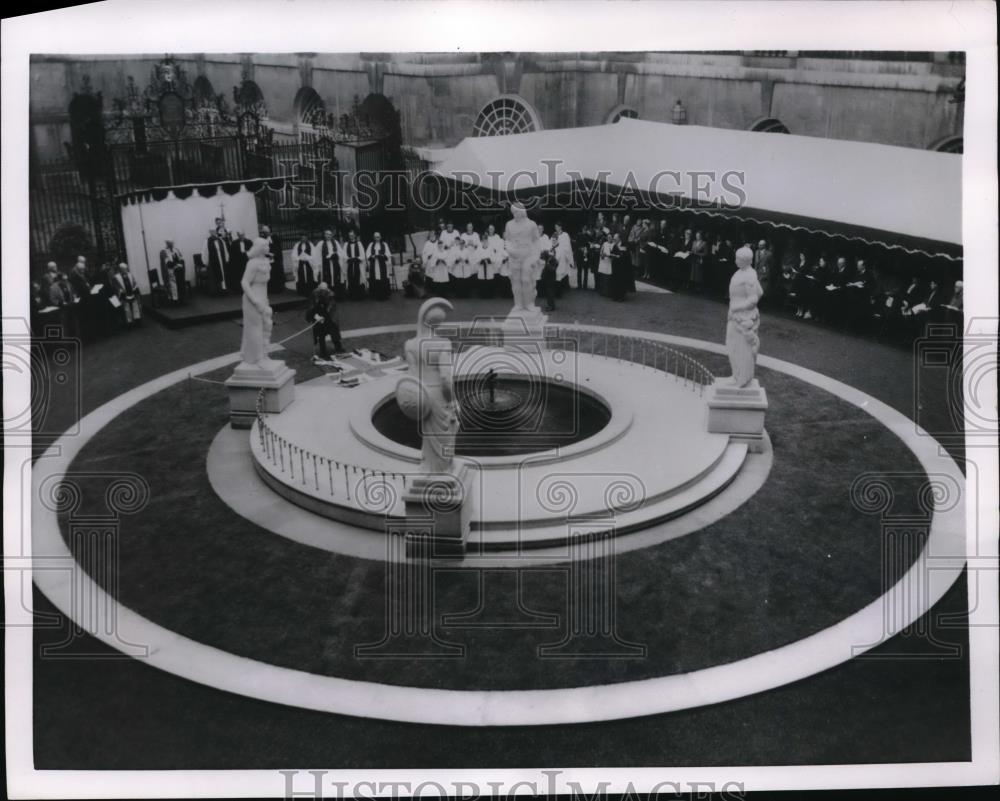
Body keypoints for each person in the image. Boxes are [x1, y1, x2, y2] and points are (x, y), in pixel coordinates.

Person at [725, 246, 765, 387]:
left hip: (741, 318)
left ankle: (742, 378)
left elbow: (754, 298)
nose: (735, 260)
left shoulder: (749, 275)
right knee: (732, 345)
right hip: (737, 316)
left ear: (745, 260)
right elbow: (760, 291)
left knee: (740, 347)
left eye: (737, 258)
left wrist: (736, 307)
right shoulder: (744, 272)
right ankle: (737, 375)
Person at [239, 238, 275, 366]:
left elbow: (264, 284)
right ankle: (257, 358)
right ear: (260, 248)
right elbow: (244, 282)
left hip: (263, 297)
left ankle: (264, 354)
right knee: (255, 328)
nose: (268, 247)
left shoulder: (266, 261)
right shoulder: (252, 263)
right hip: (252, 298)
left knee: (267, 325)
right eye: (265, 245)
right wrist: (255, 301)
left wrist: (265, 300)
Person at [503, 202, 541, 313]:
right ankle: (518, 304)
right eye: (513, 213)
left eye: (516, 212)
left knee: (526, 280)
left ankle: (529, 303)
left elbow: (536, 241)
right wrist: (509, 250)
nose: (514, 214)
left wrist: (535, 257)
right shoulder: (509, 224)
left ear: (522, 212)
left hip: (528, 256)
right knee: (516, 281)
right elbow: (507, 240)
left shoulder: (531, 224)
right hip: (514, 255)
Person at [306, 283, 344, 361]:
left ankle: (338, 347)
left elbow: (331, 306)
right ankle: (323, 351)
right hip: (318, 314)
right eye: (321, 290)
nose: (322, 292)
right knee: (320, 333)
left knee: (334, 331)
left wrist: (325, 315)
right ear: (318, 289)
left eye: (324, 290)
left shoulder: (330, 295)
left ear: (326, 290)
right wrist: (315, 316)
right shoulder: (314, 294)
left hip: (329, 316)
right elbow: (311, 306)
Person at [316, 230, 344, 299]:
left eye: (330, 234)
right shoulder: (321, 243)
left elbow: (340, 252)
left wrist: (336, 255)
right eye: (327, 234)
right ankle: (327, 296)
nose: (328, 236)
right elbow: (317, 255)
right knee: (327, 278)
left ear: (332, 235)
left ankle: (337, 295)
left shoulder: (335, 242)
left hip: (334, 264)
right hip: (326, 264)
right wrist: (319, 264)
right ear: (324, 235)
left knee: (336, 278)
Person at [366, 232, 393, 300]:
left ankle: (384, 295)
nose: (377, 238)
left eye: (378, 237)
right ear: (373, 238)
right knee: (375, 278)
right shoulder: (371, 245)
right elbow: (367, 254)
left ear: (380, 237)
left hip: (382, 264)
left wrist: (382, 256)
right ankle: (375, 295)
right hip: (374, 264)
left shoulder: (384, 244)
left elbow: (388, 254)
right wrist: (372, 256)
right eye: (375, 237)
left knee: (382, 278)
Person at [343, 231, 368, 300]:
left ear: (355, 236)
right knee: (350, 277)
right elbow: (344, 254)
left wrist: (357, 258)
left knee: (359, 278)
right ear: (349, 236)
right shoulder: (346, 244)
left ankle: (359, 296)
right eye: (350, 235)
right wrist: (349, 259)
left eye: (352, 235)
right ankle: (352, 296)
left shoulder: (359, 243)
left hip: (358, 264)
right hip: (350, 263)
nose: (351, 236)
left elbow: (363, 254)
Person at [260, 225, 285, 293]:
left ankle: (279, 288)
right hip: (268, 258)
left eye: (266, 232)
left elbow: (278, 247)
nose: (265, 233)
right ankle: (271, 289)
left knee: (277, 272)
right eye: (264, 232)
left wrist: (273, 254)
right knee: (270, 273)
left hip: (276, 258)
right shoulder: (263, 239)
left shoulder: (275, 237)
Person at [553, 222, 574, 293]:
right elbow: (552, 243)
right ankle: (557, 289)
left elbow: (567, 246)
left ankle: (563, 288)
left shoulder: (565, 235)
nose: (556, 228)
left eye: (557, 227)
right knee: (556, 272)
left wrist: (562, 250)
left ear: (560, 227)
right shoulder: (554, 234)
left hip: (563, 256)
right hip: (556, 256)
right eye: (555, 227)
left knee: (562, 271)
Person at [609, 232, 630, 301]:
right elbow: (612, 253)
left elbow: (626, 256)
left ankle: (621, 297)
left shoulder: (624, 245)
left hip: (622, 267)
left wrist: (620, 256)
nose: (614, 239)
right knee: (615, 281)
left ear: (619, 238)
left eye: (615, 238)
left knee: (621, 281)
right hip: (615, 266)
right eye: (614, 238)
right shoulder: (615, 245)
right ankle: (615, 296)